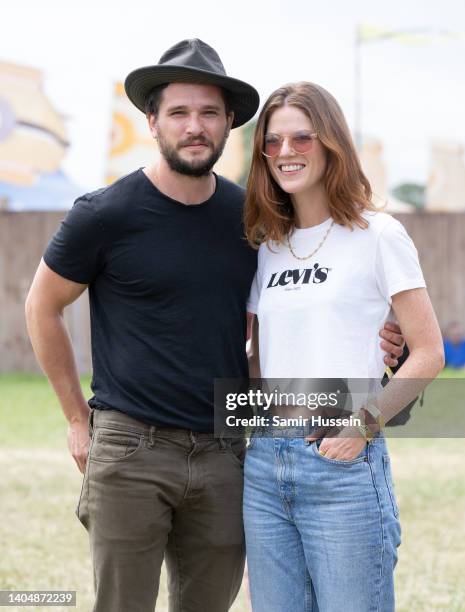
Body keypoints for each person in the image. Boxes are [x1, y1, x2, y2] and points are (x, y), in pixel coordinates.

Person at [25, 40, 405, 612]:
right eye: (178, 112)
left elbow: (304, 301)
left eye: (209, 113)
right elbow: (41, 306)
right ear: (152, 121)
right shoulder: (104, 214)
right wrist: (78, 419)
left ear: (229, 122)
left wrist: (384, 334)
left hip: (229, 451)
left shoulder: (252, 219)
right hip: (131, 448)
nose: (194, 126)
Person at [243, 82, 444, 612]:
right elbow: (260, 361)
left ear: (331, 142)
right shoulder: (266, 247)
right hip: (264, 466)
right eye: (273, 142)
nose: (286, 152)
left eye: (302, 138)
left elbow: (428, 352)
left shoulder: (379, 234)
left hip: (342, 465)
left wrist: (363, 425)